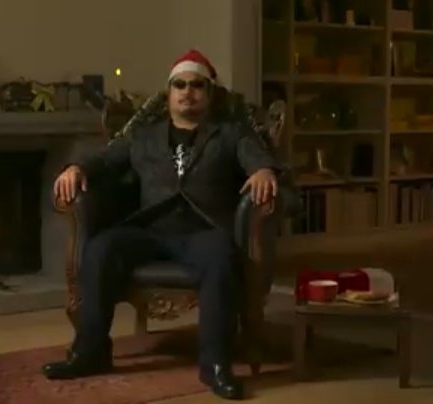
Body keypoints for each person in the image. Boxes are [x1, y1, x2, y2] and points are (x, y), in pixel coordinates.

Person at [43, 49, 279, 401]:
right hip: (150, 230)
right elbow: (106, 159)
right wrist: (76, 168)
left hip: (202, 231)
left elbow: (256, 157)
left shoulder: (230, 134)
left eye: (197, 85)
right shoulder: (144, 136)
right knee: (102, 248)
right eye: (179, 85)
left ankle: (216, 364)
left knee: (221, 257)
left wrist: (262, 171)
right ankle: (90, 352)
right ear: (168, 93)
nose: (187, 92)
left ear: (209, 93)